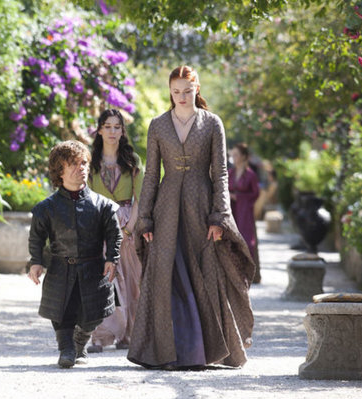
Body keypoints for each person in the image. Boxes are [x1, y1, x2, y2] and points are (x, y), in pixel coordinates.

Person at [128, 65, 255, 370]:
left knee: (206, 273)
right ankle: (167, 352)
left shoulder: (212, 123)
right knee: (165, 274)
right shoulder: (158, 125)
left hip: (201, 205)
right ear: (170, 92)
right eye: (176, 92)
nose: (182, 97)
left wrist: (219, 216)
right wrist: (144, 219)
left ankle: (204, 351)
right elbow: (151, 175)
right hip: (166, 207)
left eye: (187, 90)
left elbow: (220, 172)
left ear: (197, 88)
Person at [27, 140, 122, 369]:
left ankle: (80, 342)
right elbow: (37, 237)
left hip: (94, 268)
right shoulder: (46, 208)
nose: (81, 168)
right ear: (60, 171)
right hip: (60, 269)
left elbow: (114, 234)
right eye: (74, 164)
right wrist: (36, 262)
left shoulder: (103, 205)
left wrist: (112, 258)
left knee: (95, 314)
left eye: (84, 163)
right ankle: (66, 349)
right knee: (61, 313)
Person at [86, 109, 144, 353]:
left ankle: (128, 335)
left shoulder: (133, 160)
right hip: (100, 224)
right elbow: (86, 198)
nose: (112, 131)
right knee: (104, 280)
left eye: (117, 127)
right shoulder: (90, 161)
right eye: (107, 126)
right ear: (99, 130)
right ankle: (101, 336)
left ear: (122, 131)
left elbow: (140, 198)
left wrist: (129, 229)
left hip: (128, 224)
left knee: (131, 281)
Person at [229, 143, 262, 283]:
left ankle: (248, 273)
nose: (234, 157)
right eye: (232, 155)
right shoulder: (229, 173)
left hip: (244, 212)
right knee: (230, 241)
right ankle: (233, 274)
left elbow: (255, 194)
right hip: (231, 211)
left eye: (236, 154)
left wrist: (239, 197)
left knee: (247, 241)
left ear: (243, 156)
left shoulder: (250, 175)